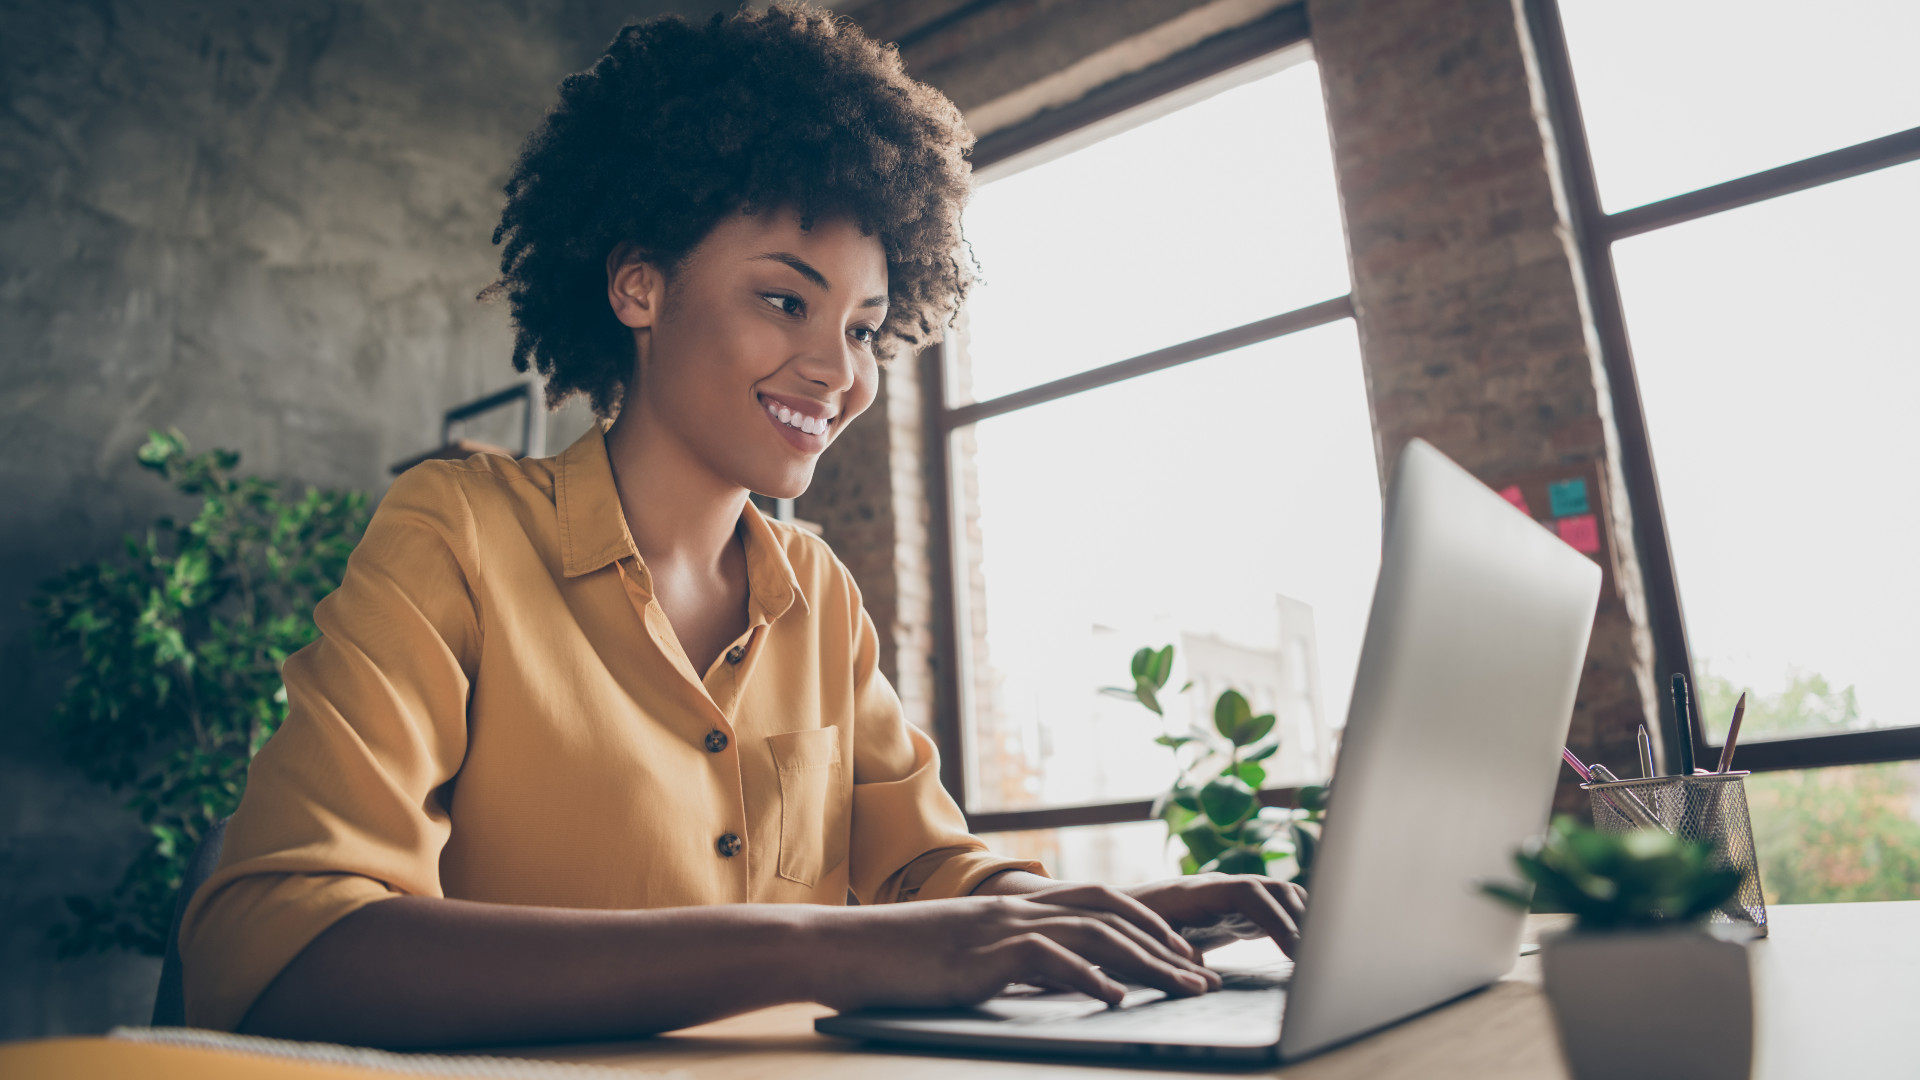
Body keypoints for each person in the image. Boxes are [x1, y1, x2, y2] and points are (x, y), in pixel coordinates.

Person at [180, 3, 1307, 1049]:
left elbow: (923, 872)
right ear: (639, 290)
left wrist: (1096, 913)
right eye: (786, 300)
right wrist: (815, 944)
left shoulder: (816, 594)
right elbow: (280, 950)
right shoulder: (457, 534)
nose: (837, 371)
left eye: (865, 328)